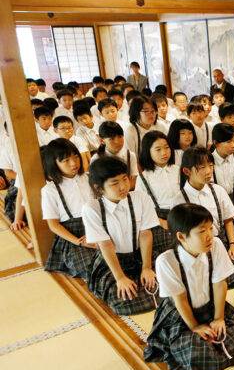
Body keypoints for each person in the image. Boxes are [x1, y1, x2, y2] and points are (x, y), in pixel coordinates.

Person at [144, 203, 234, 370]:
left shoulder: (217, 245)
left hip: (211, 307)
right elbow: (180, 300)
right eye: (201, 231)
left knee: (232, 341)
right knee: (195, 352)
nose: (210, 236)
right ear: (182, 237)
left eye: (210, 229)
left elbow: (220, 284)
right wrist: (195, 327)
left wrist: (219, 318)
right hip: (181, 316)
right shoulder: (166, 261)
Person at [83, 156, 159, 315]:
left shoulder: (140, 198)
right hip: (111, 261)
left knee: (166, 287)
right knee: (124, 301)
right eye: (115, 183)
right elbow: (106, 245)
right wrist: (120, 278)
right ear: (100, 188)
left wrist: (147, 267)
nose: (123, 186)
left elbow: (145, 235)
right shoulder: (92, 208)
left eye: (124, 179)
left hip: (140, 255)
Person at [172, 146, 234, 289]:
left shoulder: (218, 190)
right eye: (201, 167)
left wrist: (233, 244)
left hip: (222, 241)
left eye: (210, 165)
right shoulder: (179, 200)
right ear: (187, 171)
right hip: (196, 247)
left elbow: (228, 220)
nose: (209, 171)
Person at [41, 138, 96, 280]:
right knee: (91, 265)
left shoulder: (90, 178)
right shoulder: (50, 190)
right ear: (54, 164)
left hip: (97, 228)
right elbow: (53, 225)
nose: (73, 163)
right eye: (65, 160)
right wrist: (80, 241)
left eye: (76, 157)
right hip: (73, 238)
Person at [135, 131, 179, 253]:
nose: (164, 152)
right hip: (158, 220)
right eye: (158, 149)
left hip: (181, 216)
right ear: (148, 152)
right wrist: (162, 222)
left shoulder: (178, 171)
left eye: (166, 148)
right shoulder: (144, 177)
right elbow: (141, 209)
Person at [92, 121, 138, 189]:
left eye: (120, 137)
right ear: (102, 140)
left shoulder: (130, 155)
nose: (117, 142)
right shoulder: (96, 159)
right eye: (112, 139)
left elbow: (134, 179)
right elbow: (96, 184)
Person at [210, 123, 234, 205]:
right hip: (216, 202)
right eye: (228, 142)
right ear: (216, 143)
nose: (233, 145)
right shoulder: (208, 160)